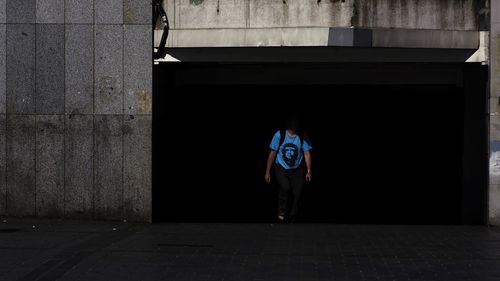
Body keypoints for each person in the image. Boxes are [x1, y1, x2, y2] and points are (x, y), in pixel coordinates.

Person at [264, 117, 312, 223]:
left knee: (297, 193)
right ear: (289, 124)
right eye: (293, 123)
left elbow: (307, 153)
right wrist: (267, 171)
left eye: (297, 123)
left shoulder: (302, 136)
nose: (295, 125)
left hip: (297, 169)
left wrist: (309, 171)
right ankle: (281, 212)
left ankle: (292, 215)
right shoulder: (279, 135)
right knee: (285, 187)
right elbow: (272, 153)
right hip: (281, 167)